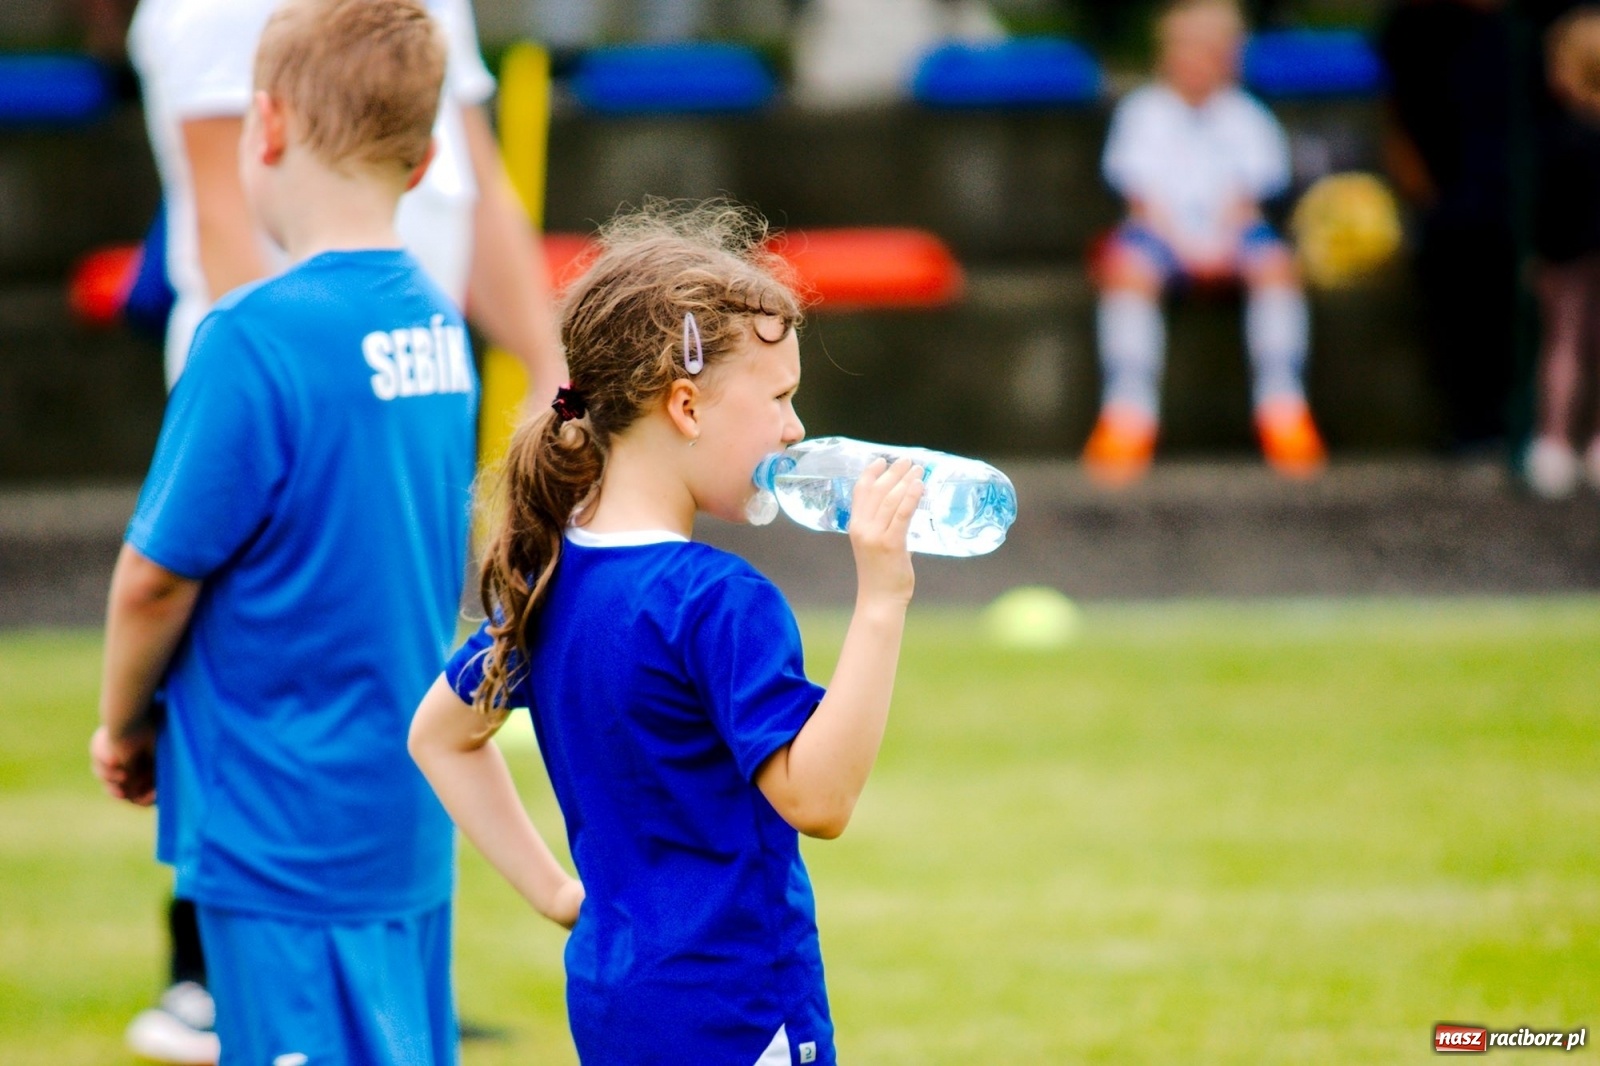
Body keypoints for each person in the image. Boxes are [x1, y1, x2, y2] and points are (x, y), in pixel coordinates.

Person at [90, 3, 581, 1064]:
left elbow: (153, 581)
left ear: (262, 127)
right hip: (406, 810)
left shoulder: (252, 339)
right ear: (425, 159)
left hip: (277, 818)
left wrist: (124, 723)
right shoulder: (436, 326)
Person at [408, 201, 923, 1066]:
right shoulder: (717, 600)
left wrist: (560, 897)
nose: (797, 429)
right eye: (781, 398)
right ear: (685, 404)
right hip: (737, 1010)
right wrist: (884, 596)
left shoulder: (550, 579)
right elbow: (820, 800)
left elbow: (438, 736)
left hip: (614, 1002)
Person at [1082, 0, 1325, 486]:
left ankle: (1282, 406)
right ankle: (1128, 412)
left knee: (1277, 266)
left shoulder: (1248, 117)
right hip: (1160, 238)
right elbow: (1142, 202)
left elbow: (1248, 202)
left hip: (1232, 239)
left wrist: (1220, 246)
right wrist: (1188, 248)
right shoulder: (1141, 112)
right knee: (1126, 269)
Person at [1378, 0, 1517, 455]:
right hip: (1449, 202)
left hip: (1521, 196)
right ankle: (1474, 425)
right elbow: (1396, 117)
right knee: (1458, 309)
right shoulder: (1413, 26)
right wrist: (1423, 193)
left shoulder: (1523, 27)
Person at [1526, 6, 1600, 496]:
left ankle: (1552, 442)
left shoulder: (1562, 134)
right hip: (1580, 252)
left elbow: (1549, 205)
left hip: (1570, 255)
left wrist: (1540, 257)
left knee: (1564, 344)